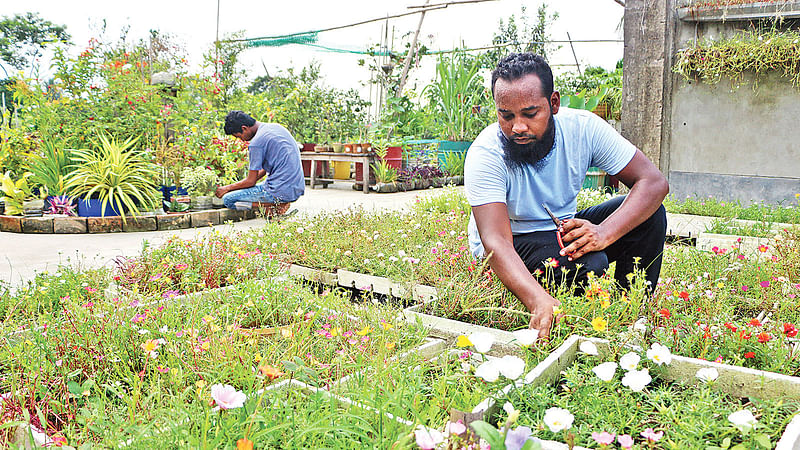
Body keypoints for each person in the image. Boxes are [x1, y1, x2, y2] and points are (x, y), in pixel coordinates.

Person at [466, 53, 669, 340]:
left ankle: (631, 311)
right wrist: (537, 299)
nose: (518, 127)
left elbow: (653, 182)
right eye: (506, 115)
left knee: (651, 215)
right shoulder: (486, 153)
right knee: (589, 264)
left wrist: (603, 233)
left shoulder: (584, 129)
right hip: (515, 239)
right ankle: (556, 295)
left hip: (559, 228)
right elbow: (495, 241)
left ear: (554, 103)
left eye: (530, 113)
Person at [216, 111, 305, 215]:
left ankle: (275, 206)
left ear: (244, 128)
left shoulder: (256, 143)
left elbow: (250, 181)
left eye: (239, 136)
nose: (241, 140)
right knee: (252, 188)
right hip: (295, 187)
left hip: (279, 191)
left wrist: (226, 188)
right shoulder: (275, 127)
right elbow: (264, 171)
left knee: (228, 199)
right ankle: (278, 204)